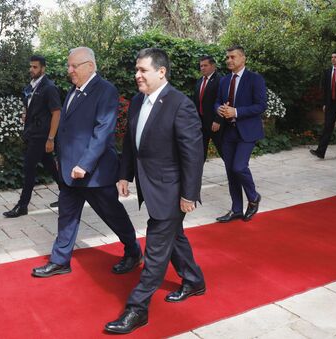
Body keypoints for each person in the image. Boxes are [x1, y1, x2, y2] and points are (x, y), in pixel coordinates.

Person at [105, 48, 205, 334]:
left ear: (161, 72)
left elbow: (192, 155)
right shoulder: (138, 100)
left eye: (143, 70)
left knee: (157, 246)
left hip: (171, 190)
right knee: (175, 236)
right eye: (136, 70)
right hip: (149, 184)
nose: (137, 75)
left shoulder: (180, 104)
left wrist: (189, 194)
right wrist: (124, 174)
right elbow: (130, 143)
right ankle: (194, 280)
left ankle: (137, 309)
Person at [31, 47, 142, 278]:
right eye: (68, 66)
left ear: (90, 66)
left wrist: (85, 164)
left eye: (74, 66)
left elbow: (103, 131)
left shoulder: (106, 91)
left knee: (112, 214)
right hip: (70, 171)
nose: (69, 70)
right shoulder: (73, 91)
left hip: (95, 172)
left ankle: (133, 251)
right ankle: (60, 260)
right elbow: (66, 129)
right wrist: (62, 161)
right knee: (67, 215)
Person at [213, 45, 266, 223]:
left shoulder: (255, 79)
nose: (229, 60)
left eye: (232, 57)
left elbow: (261, 106)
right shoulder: (224, 80)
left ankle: (253, 197)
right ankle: (236, 209)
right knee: (230, 171)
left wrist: (236, 112)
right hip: (228, 132)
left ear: (243, 58)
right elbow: (218, 101)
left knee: (239, 167)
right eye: (227, 57)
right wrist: (219, 109)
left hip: (247, 131)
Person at [3, 55, 61, 218]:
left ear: (43, 68)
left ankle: (22, 206)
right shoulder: (32, 86)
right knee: (50, 165)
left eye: (35, 67)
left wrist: (51, 138)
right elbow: (30, 106)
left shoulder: (49, 87)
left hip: (41, 135)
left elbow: (56, 113)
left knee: (29, 167)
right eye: (30, 67)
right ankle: (68, 196)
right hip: (32, 132)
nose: (31, 70)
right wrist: (25, 114)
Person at [193, 55, 222, 160]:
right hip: (201, 123)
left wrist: (218, 120)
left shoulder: (220, 80)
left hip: (215, 124)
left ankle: (234, 175)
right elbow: (196, 101)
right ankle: (196, 176)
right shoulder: (199, 81)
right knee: (200, 153)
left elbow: (223, 101)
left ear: (213, 66)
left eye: (205, 65)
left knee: (223, 151)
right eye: (201, 66)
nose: (202, 68)